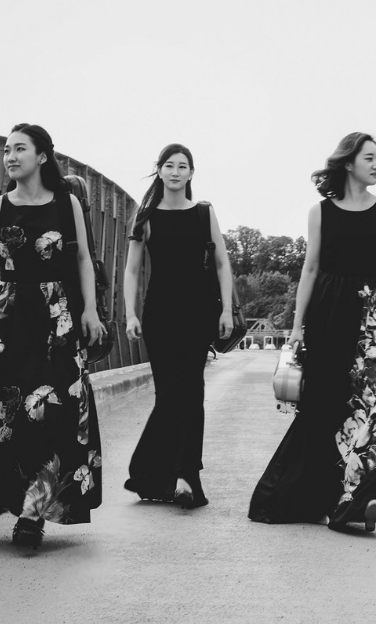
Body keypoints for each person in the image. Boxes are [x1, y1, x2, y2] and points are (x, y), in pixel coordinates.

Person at [0, 123, 107, 549]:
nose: (10, 157)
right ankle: (4, 500)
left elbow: (83, 259)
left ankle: (33, 513)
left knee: (56, 410)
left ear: (42, 156)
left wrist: (90, 310)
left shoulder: (67, 203)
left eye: (19, 149)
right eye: (7, 150)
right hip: (7, 317)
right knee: (1, 411)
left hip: (57, 317)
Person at [249, 132, 376, 533]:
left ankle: (367, 498)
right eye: (369, 158)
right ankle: (318, 496)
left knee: (372, 405)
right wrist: (297, 326)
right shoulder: (320, 212)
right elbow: (310, 269)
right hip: (328, 313)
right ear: (348, 163)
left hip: (373, 319)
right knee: (324, 404)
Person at [122, 143, 233, 509]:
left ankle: (186, 477)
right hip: (160, 314)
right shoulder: (146, 217)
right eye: (169, 165)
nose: (175, 171)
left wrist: (226, 311)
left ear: (191, 173)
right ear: (159, 170)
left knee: (192, 391)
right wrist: (130, 314)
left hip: (198, 313)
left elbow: (222, 264)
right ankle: (153, 474)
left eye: (182, 166)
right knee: (169, 394)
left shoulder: (203, 213)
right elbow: (132, 270)